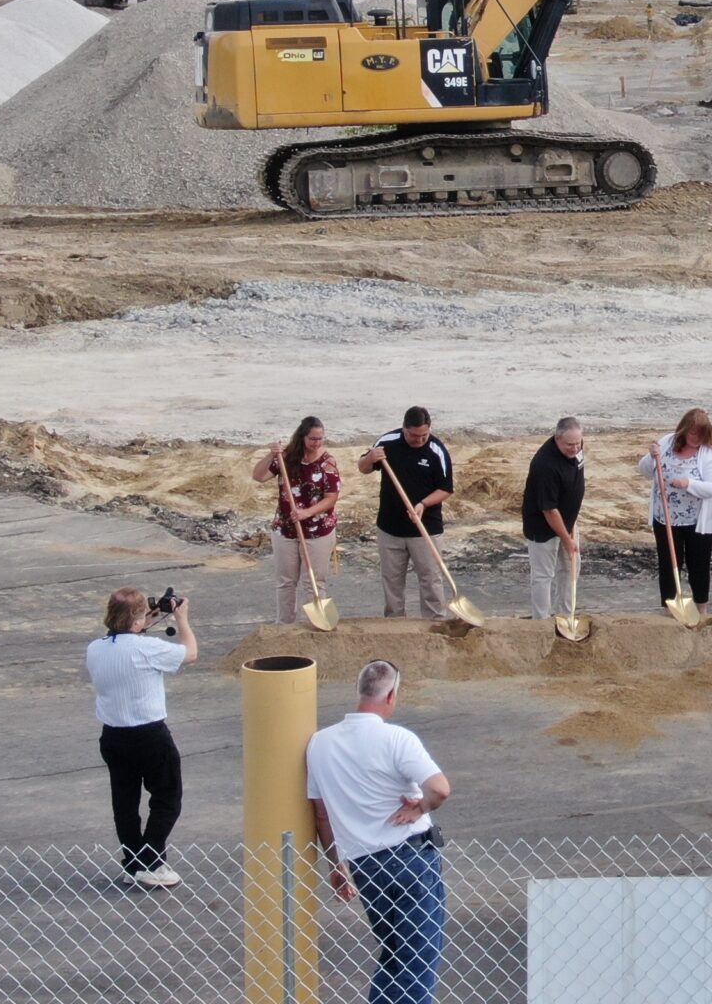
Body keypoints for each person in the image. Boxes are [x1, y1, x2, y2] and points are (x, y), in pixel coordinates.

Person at [308, 661, 452, 1004]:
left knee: (394, 955)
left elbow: (322, 814)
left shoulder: (319, 744)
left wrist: (336, 867)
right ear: (391, 695)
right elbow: (441, 789)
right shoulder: (397, 739)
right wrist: (421, 807)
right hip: (411, 857)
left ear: (360, 691)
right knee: (417, 961)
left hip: (363, 866)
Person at [86, 586, 196, 887]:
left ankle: (134, 862)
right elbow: (190, 654)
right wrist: (181, 618)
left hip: (113, 736)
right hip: (149, 735)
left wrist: (143, 621)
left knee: (125, 802)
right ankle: (149, 861)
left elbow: (125, 638)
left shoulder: (95, 648)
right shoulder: (147, 649)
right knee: (168, 798)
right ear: (137, 621)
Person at [359, 407, 454, 619]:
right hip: (390, 528)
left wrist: (422, 504)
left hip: (425, 528)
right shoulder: (388, 441)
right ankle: (395, 623)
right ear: (404, 428)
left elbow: (446, 488)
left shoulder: (437, 451)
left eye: (424, 435)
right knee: (392, 580)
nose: (419, 440)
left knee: (430, 579)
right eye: (414, 435)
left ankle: (435, 622)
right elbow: (363, 468)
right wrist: (370, 457)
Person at [254, 416, 340, 625]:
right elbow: (259, 476)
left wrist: (306, 513)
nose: (316, 443)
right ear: (303, 437)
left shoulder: (327, 463)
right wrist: (271, 454)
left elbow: (331, 498)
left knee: (314, 581)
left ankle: (317, 625)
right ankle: (285, 626)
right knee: (286, 581)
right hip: (285, 529)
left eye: (320, 439)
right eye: (312, 439)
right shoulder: (286, 458)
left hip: (318, 530)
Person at [640, 408, 712, 612]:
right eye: (693, 433)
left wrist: (689, 483)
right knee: (669, 564)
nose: (696, 438)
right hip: (666, 517)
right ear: (684, 430)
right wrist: (651, 457)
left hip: (697, 521)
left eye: (701, 434)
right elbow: (644, 470)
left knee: (698, 565)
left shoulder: (711, 456)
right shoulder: (667, 442)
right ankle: (670, 607)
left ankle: (701, 608)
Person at [520, 418, 585, 620]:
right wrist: (566, 539)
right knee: (543, 575)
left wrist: (571, 524)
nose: (575, 449)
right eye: (569, 445)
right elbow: (549, 510)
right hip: (542, 526)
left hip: (568, 520)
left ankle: (566, 615)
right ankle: (542, 620)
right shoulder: (544, 465)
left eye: (578, 443)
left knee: (571, 568)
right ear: (557, 439)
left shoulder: (577, 449)